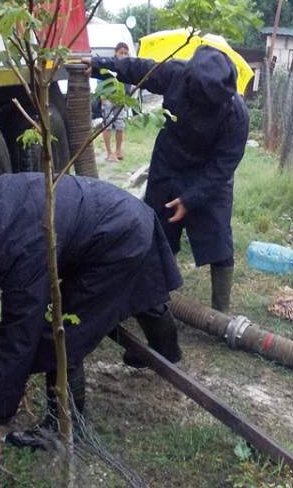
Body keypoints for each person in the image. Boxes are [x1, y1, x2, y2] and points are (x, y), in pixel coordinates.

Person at [0, 172, 183, 468]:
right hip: (121, 211)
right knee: (135, 291)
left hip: (118, 235)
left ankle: (64, 425)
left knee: (59, 330)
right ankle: (167, 350)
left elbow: (20, 337)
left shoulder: (20, 248)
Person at [89, 45, 249, 312]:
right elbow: (138, 68)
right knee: (157, 233)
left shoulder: (236, 114)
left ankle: (221, 313)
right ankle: (153, 295)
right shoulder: (177, 73)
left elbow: (224, 166)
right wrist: (96, 64)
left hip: (209, 174)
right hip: (170, 163)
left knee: (218, 237)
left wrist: (191, 199)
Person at [100, 41, 131, 162]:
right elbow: (101, 79)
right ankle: (109, 152)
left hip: (120, 100)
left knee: (120, 126)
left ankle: (118, 151)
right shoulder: (110, 64)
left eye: (125, 53)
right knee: (107, 125)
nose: (123, 55)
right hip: (108, 98)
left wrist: (126, 98)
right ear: (116, 53)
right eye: (121, 52)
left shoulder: (128, 65)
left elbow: (129, 83)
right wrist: (103, 97)